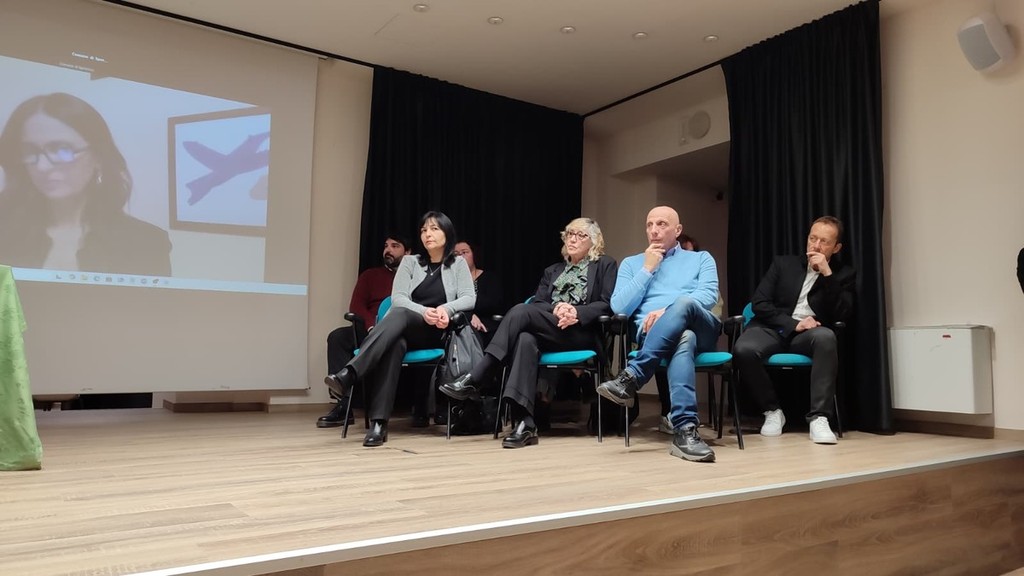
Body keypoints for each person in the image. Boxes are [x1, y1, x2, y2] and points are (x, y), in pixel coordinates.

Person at [440, 218, 616, 448]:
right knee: (524, 339)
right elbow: (539, 303)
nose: (572, 239)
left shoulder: (604, 265)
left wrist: (576, 312)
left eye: (580, 235)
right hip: (550, 330)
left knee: (521, 311)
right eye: (569, 234)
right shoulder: (553, 270)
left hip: (580, 334)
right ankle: (525, 423)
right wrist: (557, 308)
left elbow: (607, 303)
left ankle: (480, 374)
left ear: (594, 241)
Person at [324, 211, 475, 447]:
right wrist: (424, 311)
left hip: (438, 331)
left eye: (434, 229)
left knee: (399, 316)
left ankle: (350, 374)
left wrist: (444, 309)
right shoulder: (410, 262)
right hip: (409, 327)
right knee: (395, 341)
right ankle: (378, 424)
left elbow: (468, 298)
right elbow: (399, 299)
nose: (427, 234)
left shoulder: (457, 264)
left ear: (447, 233)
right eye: (424, 230)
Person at [596, 206, 721, 463]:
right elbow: (619, 307)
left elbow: (708, 296)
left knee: (684, 304)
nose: (654, 230)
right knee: (684, 338)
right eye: (649, 224)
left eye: (662, 224)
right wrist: (647, 269)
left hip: (702, 328)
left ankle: (632, 376)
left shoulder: (701, 259)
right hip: (655, 334)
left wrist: (667, 311)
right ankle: (685, 432)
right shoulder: (632, 264)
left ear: (678, 230)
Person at [0, 93, 171, 275]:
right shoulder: (5, 232)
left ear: (98, 157)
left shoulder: (146, 243)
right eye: (30, 151)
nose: (42, 166)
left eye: (62, 149)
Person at [732, 216, 856, 444]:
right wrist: (792, 324)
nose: (816, 246)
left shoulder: (843, 274)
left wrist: (827, 275)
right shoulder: (783, 264)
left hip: (809, 335)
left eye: (824, 242)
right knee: (744, 349)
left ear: (836, 247)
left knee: (826, 337)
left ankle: (819, 417)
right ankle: (772, 411)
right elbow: (759, 303)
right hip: (773, 328)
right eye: (812, 238)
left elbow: (842, 314)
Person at [318, 234, 410, 428]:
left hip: (401, 331)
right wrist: (370, 326)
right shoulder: (370, 276)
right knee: (337, 337)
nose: (388, 250)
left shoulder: (414, 277)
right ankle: (343, 406)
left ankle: (420, 409)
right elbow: (356, 305)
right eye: (386, 246)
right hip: (370, 330)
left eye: (395, 246)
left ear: (408, 253)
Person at [453, 240, 505, 346]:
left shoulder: (489, 278)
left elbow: (494, 303)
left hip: (489, 324)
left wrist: (469, 308)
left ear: (474, 254)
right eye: (456, 254)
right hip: (463, 323)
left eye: (464, 252)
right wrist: (469, 315)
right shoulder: (450, 281)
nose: (460, 257)